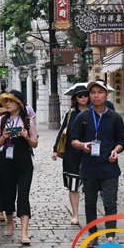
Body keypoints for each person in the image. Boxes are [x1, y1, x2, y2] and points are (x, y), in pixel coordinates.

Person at [70, 80, 124, 248]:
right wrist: (82, 145)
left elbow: (121, 141)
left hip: (109, 166)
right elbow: (73, 140)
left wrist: (116, 150)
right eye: (93, 93)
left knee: (110, 203)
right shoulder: (83, 117)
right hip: (89, 167)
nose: (96, 96)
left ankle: (110, 237)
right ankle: (92, 235)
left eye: (100, 92)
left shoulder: (115, 117)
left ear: (106, 95)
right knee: (90, 203)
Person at [0, 90, 38, 245]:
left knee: (23, 196)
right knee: (8, 194)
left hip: (24, 163)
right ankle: (10, 223)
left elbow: (35, 143)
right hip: (6, 162)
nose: (8, 104)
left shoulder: (28, 121)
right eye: (6, 101)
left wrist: (26, 137)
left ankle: (24, 231)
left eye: (11, 101)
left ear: (19, 104)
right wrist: (4, 136)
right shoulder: (1, 120)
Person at [52, 84, 90, 225]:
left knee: (90, 185)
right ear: (75, 98)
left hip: (90, 153)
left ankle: (90, 214)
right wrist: (55, 149)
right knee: (73, 185)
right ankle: (75, 214)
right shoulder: (70, 114)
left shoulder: (94, 112)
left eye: (86, 95)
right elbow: (63, 131)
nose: (83, 97)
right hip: (72, 153)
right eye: (80, 95)